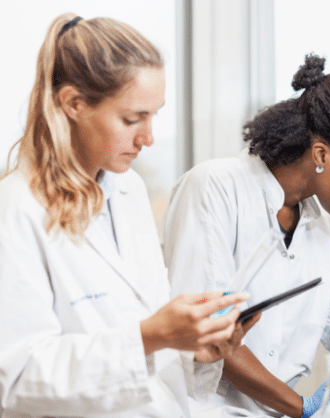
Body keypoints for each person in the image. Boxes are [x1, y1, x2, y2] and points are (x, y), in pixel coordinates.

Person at [0, 14, 255, 417]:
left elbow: (136, 330)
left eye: (154, 116)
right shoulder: (16, 210)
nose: (148, 137)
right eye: (132, 119)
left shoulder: (128, 188)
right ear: (73, 104)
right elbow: (17, 379)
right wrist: (150, 336)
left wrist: (191, 348)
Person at [161, 53, 330, 418]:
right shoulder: (215, 186)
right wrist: (301, 408)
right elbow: (208, 333)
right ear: (321, 154)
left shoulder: (319, 224)